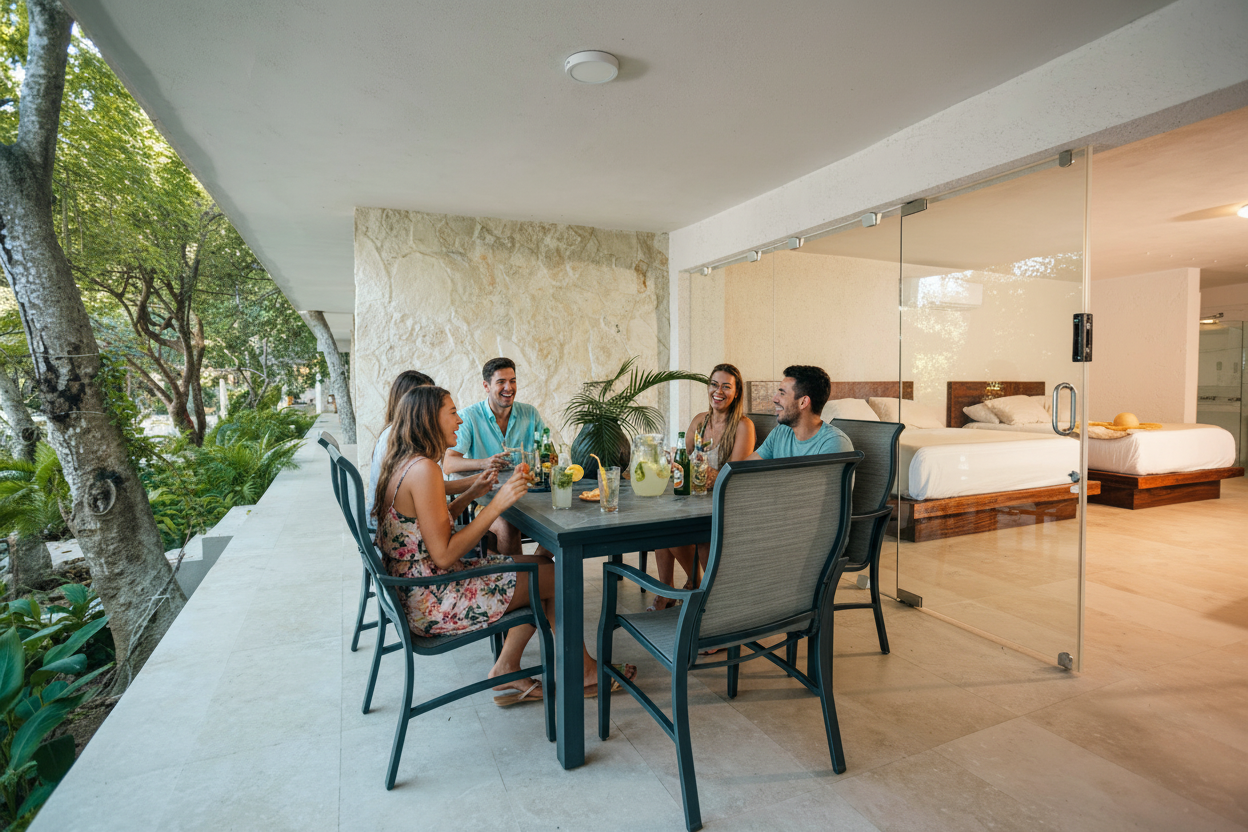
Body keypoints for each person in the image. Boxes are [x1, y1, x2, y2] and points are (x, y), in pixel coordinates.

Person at [376, 385, 635, 705]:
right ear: (430, 419)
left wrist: (472, 494)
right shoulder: (424, 469)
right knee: (557, 578)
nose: (459, 421)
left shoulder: (406, 463)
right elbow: (443, 554)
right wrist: (497, 504)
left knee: (542, 566)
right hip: (435, 597)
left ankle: (509, 667)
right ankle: (582, 671)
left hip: (418, 589)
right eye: (452, 413)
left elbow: (427, 530)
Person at [648, 364, 755, 612]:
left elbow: (735, 477)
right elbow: (683, 461)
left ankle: (695, 584)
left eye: (726, 386)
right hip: (695, 499)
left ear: (736, 393)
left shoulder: (743, 426)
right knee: (660, 523)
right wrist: (672, 463)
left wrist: (706, 474)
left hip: (724, 503)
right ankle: (669, 590)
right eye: (714, 384)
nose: (719, 391)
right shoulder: (699, 421)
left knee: (673, 529)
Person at [444, 357, 549, 555]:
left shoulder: (530, 414)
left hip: (529, 499)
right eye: (501, 382)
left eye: (513, 381)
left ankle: (535, 569)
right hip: (482, 502)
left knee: (561, 523)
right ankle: (520, 581)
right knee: (508, 525)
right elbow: (448, 464)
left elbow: (546, 454)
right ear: (486, 385)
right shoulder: (469, 417)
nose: (508, 387)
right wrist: (486, 463)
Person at [748, 365, 852, 460]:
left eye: (782, 393)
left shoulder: (834, 443)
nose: (774, 399)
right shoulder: (780, 432)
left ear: (803, 402)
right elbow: (743, 469)